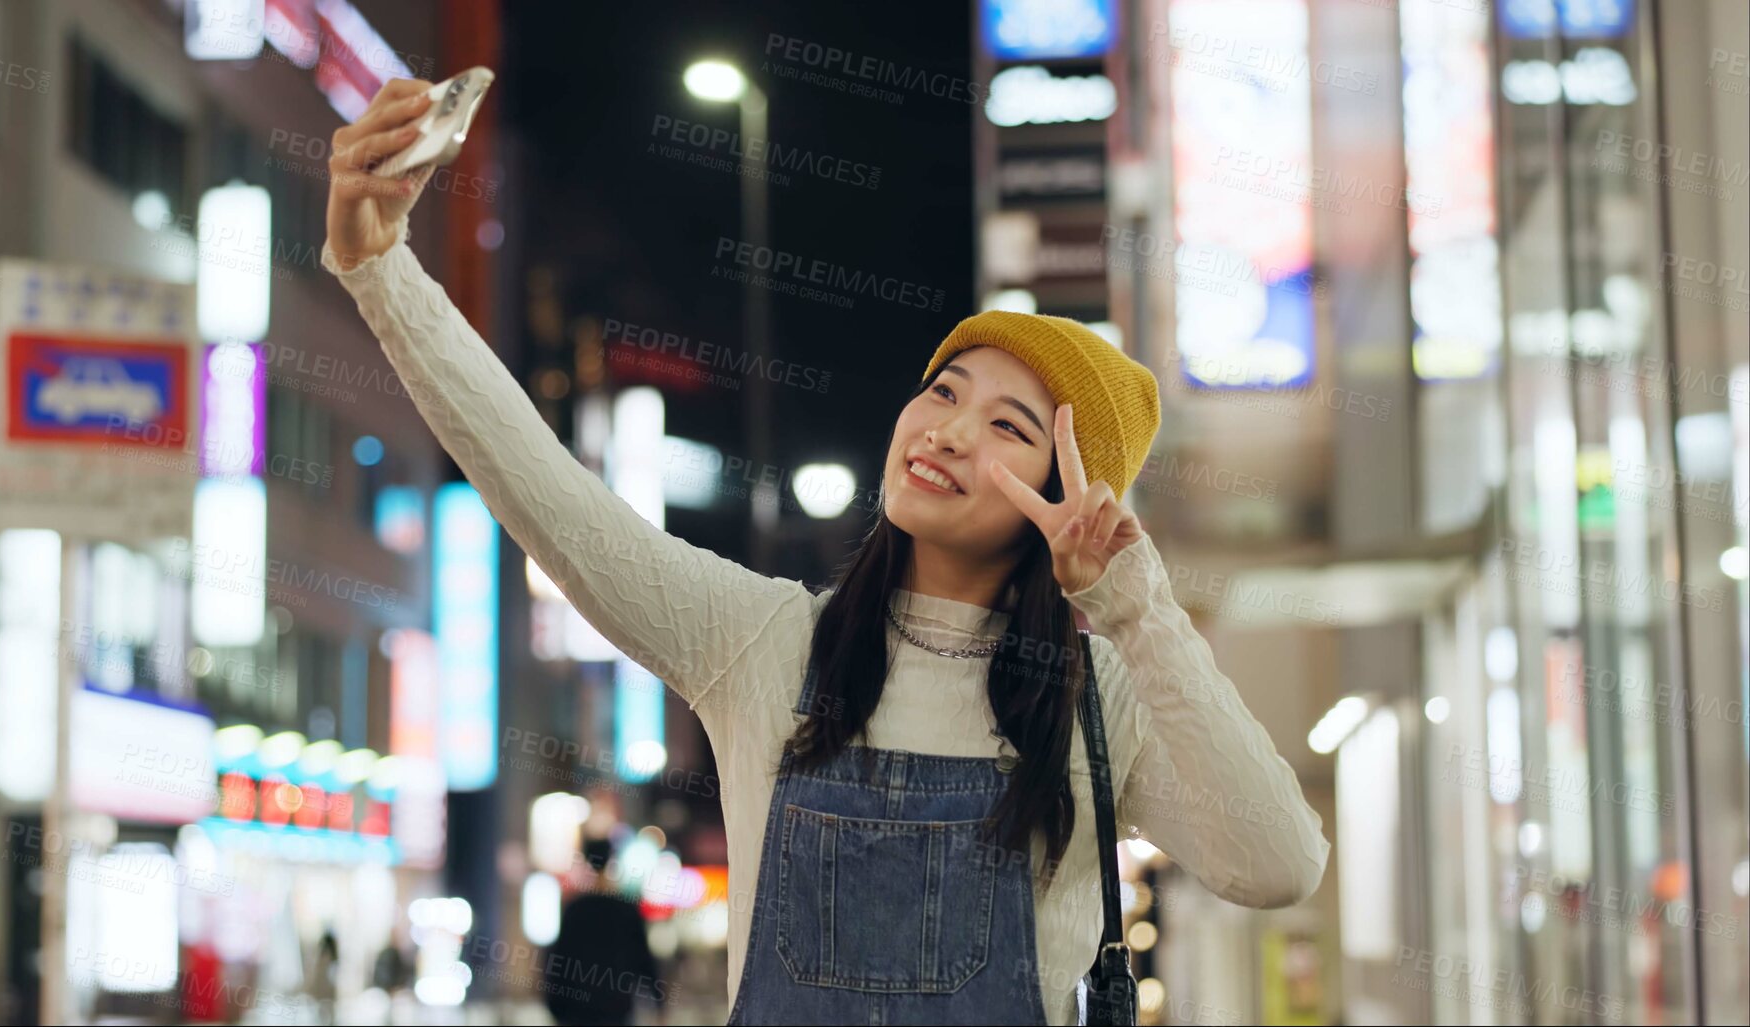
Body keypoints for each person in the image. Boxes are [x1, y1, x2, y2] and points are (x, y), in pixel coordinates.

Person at [322, 79, 1330, 1026]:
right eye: (944, 392)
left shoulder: (1096, 698)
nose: (949, 431)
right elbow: (545, 490)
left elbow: (1276, 862)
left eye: (1011, 427)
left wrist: (1135, 608)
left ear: (1067, 497)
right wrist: (381, 271)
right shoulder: (761, 640)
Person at [541, 837, 662, 1026]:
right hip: (616, 1010)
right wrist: (659, 1003)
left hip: (575, 1013)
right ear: (612, 861)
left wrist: (555, 1007)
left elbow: (558, 961)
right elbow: (645, 961)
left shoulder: (575, 909)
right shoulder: (626, 910)